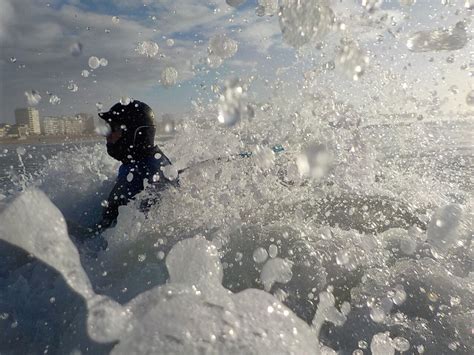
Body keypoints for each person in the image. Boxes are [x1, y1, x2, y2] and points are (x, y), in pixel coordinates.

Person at [96, 100, 176, 231]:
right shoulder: (137, 162)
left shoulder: (148, 174)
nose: (107, 135)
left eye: (113, 128)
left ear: (133, 133)